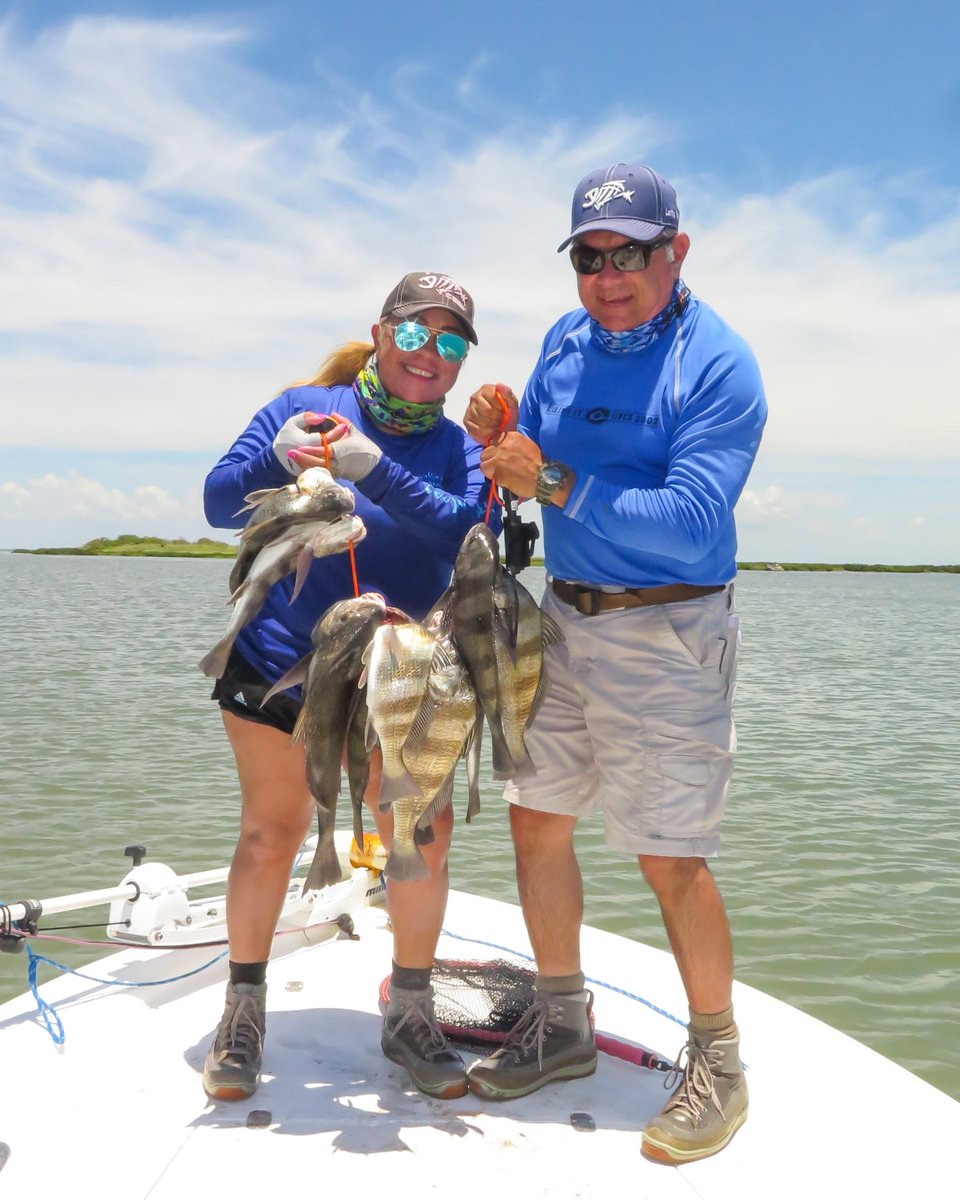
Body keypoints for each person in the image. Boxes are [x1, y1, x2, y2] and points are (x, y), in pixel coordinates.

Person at [463, 163, 766, 1165]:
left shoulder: (719, 366)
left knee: (670, 856)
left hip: (673, 629)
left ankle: (719, 1061)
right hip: (564, 619)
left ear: (675, 251)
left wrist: (550, 476)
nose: (607, 276)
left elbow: (688, 526)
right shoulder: (566, 340)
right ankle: (562, 1022)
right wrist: (503, 432)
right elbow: (535, 449)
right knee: (536, 818)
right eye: (589, 257)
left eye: (629, 253)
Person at [201, 271, 498, 1103]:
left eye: (450, 342)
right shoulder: (301, 402)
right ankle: (244, 1008)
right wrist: (273, 452)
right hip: (279, 658)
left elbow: (466, 528)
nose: (428, 354)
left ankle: (410, 1012)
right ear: (379, 331)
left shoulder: (462, 447)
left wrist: (374, 472)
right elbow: (219, 503)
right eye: (413, 332)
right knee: (270, 833)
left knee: (420, 833)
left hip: (406, 669)